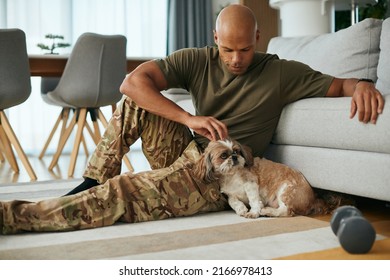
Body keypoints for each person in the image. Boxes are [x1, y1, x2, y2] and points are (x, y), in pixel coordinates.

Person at [0, 4, 384, 234]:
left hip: (216, 180)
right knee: (135, 103)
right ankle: (90, 180)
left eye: (246, 49)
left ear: (259, 37)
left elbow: (339, 86)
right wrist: (189, 117)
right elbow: (132, 83)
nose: (236, 59)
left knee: (124, 192)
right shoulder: (197, 59)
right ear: (215, 38)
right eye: (228, 49)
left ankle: (13, 217)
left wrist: (363, 83)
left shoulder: (280, 72)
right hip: (188, 149)